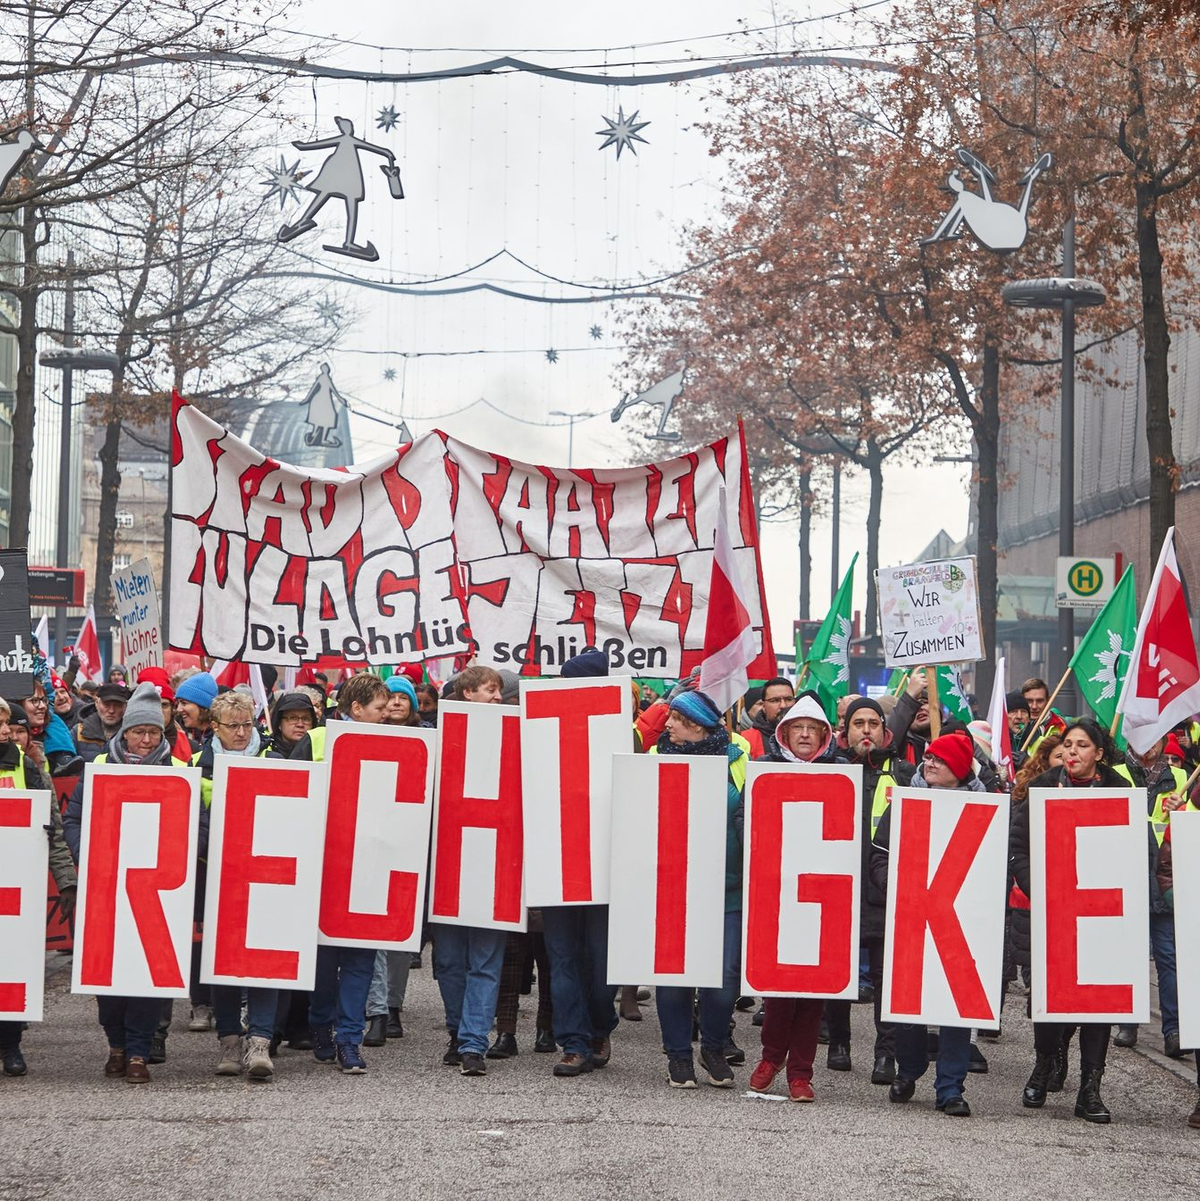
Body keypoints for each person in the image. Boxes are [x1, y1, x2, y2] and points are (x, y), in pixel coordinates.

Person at [63, 683, 200, 1084]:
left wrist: (181, 852)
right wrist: (88, 852)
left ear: (163, 736)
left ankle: (139, 1051)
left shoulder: (180, 774)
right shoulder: (101, 768)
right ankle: (116, 1045)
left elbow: (201, 825)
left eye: (153, 733)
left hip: (157, 892)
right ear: (124, 733)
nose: (145, 740)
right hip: (107, 888)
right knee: (109, 973)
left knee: (148, 974)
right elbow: (73, 820)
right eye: (139, 732)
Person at [1011, 717, 1123, 1123]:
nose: (1073, 752)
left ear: (1098, 753)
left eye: (1082, 746)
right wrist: (1037, 886)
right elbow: (1018, 845)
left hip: (1099, 912)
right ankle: (1044, 1064)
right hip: (1052, 909)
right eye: (1069, 745)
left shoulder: (1119, 790)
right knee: (1048, 994)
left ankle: (1090, 1086)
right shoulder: (1042, 788)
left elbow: (1132, 849)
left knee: (1097, 1001)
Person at [871, 732, 983, 1117]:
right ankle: (909, 1068)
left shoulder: (984, 808)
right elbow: (879, 855)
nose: (930, 762)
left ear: (962, 769)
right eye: (929, 756)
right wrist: (894, 886)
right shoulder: (904, 802)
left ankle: (950, 1087)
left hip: (960, 918)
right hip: (911, 914)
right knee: (909, 1003)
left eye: (941, 759)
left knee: (956, 1007)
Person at [292, 672, 389, 1074]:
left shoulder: (397, 744)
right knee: (324, 959)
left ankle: (349, 1040)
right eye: (380, 710)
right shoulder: (316, 741)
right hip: (324, 866)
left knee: (360, 960)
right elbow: (294, 796)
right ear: (356, 709)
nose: (388, 716)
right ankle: (320, 1026)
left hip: (368, 865)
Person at [651, 688, 747, 1089]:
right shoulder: (655, 760)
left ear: (695, 725)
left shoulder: (739, 762)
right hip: (673, 887)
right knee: (674, 974)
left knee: (724, 977)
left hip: (727, 888)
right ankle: (678, 1056)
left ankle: (712, 1047)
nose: (667, 724)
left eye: (675, 718)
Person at [749, 693, 837, 1102]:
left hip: (823, 897)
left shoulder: (841, 775)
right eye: (797, 727)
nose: (804, 734)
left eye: (812, 728)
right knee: (779, 987)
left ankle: (801, 1073)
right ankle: (771, 1057)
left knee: (813, 994)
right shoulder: (762, 771)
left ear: (824, 735)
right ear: (784, 733)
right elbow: (743, 824)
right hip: (777, 892)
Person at [824, 696, 913, 1082]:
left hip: (883, 894)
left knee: (883, 978)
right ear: (845, 732)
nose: (865, 730)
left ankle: (885, 1054)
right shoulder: (830, 772)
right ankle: (838, 1044)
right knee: (837, 974)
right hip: (839, 889)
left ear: (884, 730)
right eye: (858, 723)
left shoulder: (907, 775)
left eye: (873, 724)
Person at [195, 690, 279, 1080]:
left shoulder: (274, 761)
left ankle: (260, 1041)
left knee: (264, 961)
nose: (243, 732)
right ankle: (230, 1039)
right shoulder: (195, 767)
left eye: (248, 724)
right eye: (233, 726)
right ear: (214, 728)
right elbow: (190, 825)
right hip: (217, 877)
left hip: (267, 879)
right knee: (222, 964)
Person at [432, 665, 509, 1077]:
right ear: (466, 695)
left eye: (499, 691)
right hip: (449, 862)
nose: (498, 698)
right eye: (489, 690)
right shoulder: (440, 737)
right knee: (447, 961)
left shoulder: (517, 740)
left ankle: (473, 1043)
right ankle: (457, 1029)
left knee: (484, 960)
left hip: (496, 865)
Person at [0, 697, 75, 1078]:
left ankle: (10, 1045)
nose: (5, 732)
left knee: (11, 963)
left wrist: (66, 882)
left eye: (7, 725)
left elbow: (54, 831)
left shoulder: (27, 769)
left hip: (13, 887)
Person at [1112, 733, 1191, 1054]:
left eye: (1156, 737)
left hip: (1164, 880)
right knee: (1126, 954)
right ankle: (1128, 1023)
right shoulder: (1115, 775)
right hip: (1127, 873)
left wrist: (1183, 810)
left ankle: (1173, 1030)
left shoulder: (1183, 777)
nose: (1150, 743)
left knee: (1168, 957)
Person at [72, 681, 130, 763]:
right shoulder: (78, 732)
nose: (111, 710)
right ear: (96, 703)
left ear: (125, 707)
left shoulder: (132, 734)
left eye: (117, 705)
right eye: (106, 704)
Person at [739, 677, 795, 759]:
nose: (783, 705)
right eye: (775, 700)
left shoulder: (808, 737)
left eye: (788, 699)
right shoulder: (746, 739)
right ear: (764, 706)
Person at [267, 691, 319, 758]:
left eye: (306, 719)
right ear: (279, 723)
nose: (300, 724)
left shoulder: (320, 750)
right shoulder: (266, 751)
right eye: (293, 718)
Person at [173, 671, 217, 744]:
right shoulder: (176, 729)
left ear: (203, 706)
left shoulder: (222, 736)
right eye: (178, 703)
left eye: (184, 703)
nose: (178, 709)